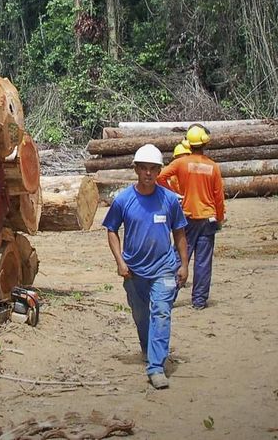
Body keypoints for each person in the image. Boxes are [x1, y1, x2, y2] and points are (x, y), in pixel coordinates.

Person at [103, 143, 188, 390]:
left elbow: (180, 233)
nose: (149, 174)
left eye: (153, 169)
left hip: (164, 268)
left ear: (160, 171)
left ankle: (156, 367)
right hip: (134, 271)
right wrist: (120, 262)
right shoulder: (123, 200)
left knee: (162, 312)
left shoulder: (170, 200)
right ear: (136, 170)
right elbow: (111, 230)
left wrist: (184, 265)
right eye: (144, 169)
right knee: (142, 316)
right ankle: (147, 346)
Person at [156, 125, 225, 310]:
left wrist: (174, 194)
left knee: (179, 258)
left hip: (186, 218)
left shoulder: (181, 163)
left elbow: (159, 177)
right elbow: (218, 196)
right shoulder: (213, 167)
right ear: (204, 143)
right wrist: (219, 217)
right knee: (203, 262)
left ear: (188, 144)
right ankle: (199, 301)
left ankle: (168, 298)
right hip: (208, 219)